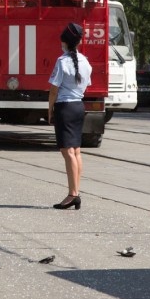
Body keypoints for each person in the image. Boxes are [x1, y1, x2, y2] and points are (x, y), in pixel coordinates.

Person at [48, 23, 92, 210]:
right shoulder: (85, 61)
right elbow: (86, 84)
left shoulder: (62, 61)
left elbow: (53, 90)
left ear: (64, 42)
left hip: (64, 107)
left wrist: (50, 109)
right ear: (79, 42)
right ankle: (76, 191)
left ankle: (73, 194)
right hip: (78, 107)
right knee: (76, 151)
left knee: (67, 152)